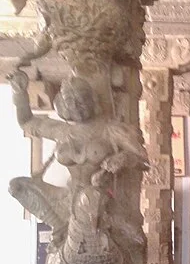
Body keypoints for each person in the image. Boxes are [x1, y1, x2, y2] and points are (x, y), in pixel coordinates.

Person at [7, 70, 148, 247]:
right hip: (68, 196)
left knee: (132, 239)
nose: (76, 107)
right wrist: (19, 92)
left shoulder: (110, 130)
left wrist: (123, 158)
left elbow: (143, 160)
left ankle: (108, 225)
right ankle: (59, 226)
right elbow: (27, 122)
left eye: (81, 101)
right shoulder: (62, 131)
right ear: (63, 106)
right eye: (70, 102)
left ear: (93, 101)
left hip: (101, 200)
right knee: (16, 186)